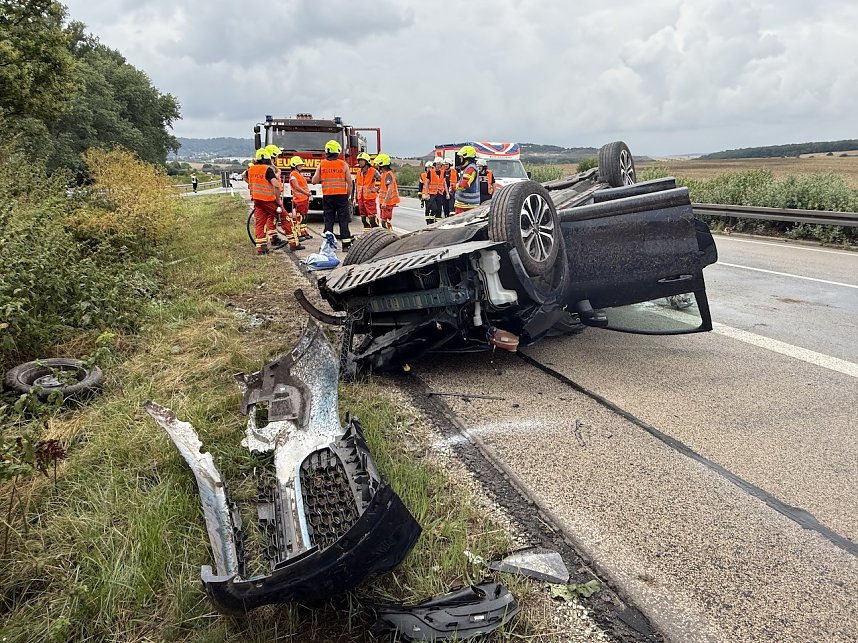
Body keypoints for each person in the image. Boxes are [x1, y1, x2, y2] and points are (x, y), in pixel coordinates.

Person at [312, 140, 354, 251]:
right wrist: (347, 195)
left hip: (328, 196)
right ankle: (346, 245)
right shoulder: (343, 164)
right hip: (341, 196)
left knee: (329, 221)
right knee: (343, 220)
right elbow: (349, 182)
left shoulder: (322, 164)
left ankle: (328, 245)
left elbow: (314, 181)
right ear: (337, 152)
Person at [247, 148, 287, 254]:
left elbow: (245, 176)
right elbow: (275, 184)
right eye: (276, 156)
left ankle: (261, 247)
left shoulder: (255, 168)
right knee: (284, 217)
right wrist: (278, 200)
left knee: (261, 223)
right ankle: (293, 242)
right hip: (269, 199)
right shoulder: (268, 169)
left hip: (258, 199)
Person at [288, 156, 312, 243]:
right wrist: (306, 193)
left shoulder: (298, 174)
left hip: (304, 199)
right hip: (299, 199)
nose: (301, 167)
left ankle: (304, 232)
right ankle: (298, 233)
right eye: (300, 165)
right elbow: (296, 187)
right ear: (295, 165)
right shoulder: (293, 174)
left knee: (304, 216)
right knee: (300, 217)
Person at [355, 152, 381, 230]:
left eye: (362, 160)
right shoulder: (359, 171)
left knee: (372, 218)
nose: (360, 162)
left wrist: (377, 188)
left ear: (366, 162)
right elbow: (358, 185)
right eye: (359, 161)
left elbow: (383, 181)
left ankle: (376, 232)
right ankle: (366, 234)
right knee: (363, 218)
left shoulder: (373, 171)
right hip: (360, 198)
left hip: (369, 198)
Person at [375, 153, 399, 230]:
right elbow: (384, 186)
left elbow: (390, 189)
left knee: (385, 223)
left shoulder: (388, 174)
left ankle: (390, 237)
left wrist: (385, 202)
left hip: (388, 203)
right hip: (385, 202)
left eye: (378, 164)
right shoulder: (384, 174)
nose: (377, 166)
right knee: (384, 221)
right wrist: (377, 189)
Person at [454, 145, 480, 213]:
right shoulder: (465, 168)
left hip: (467, 206)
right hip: (463, 204)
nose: (459, 159)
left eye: (461, 157)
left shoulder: (470, 169)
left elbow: (463, 185)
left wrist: (453, 187)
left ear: (466, 158)